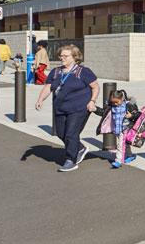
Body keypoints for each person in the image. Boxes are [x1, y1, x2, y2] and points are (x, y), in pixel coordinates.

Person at [34, 44, 99, 172]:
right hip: (60, 108)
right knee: (61, 133)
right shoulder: (56, 71)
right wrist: (40, 99)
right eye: (61, 55)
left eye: (65, 56)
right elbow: (48, 87)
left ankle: (71, 160)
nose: (62, 58)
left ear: (75, 57)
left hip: (79, 108)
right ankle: (79, 148)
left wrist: (92, 101)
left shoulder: (83, 72)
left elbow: (95, 87)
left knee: (71, 134)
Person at [107, 90, 138, 168]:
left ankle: (118, 161)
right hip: (117, 129)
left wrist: (131, 115)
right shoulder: (112, 106)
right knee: (125, 143)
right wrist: (95, 109)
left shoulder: (128, 105)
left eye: (117, 102)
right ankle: (130, 155)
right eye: (113, 102)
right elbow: (103, 113)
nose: (115, 104)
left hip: (125, 129)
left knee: (120, 145)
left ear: (122, 98)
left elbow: (137, 114)